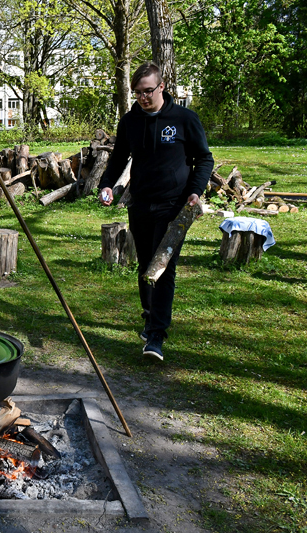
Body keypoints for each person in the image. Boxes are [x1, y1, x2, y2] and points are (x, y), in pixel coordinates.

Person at [98, 61, 213, 362]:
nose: (143, 98)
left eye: (148, 91)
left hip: (174, 206)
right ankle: (150, 316)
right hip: (140, 203)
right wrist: (108, 185)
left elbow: (204, 159)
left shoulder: (184, 119)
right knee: (145, 264)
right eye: (137, 93)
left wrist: (195, 190)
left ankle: (156, 335)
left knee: (163, 267)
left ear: (162, 87)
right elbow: (118, 159)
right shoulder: (130, 122)